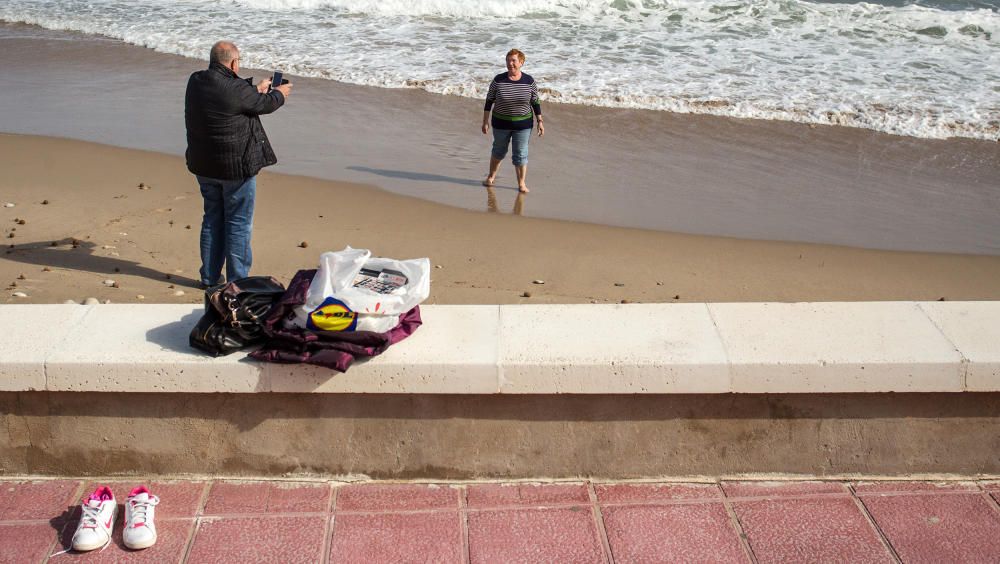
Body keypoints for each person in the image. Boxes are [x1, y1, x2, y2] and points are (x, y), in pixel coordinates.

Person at [184, 40, 292, 288]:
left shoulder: (197, 80)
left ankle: (210, 278)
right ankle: (237, 281)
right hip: (234, 169)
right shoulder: (235, 90)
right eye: (238, 62)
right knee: (238, 223)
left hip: (204, 165)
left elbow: (235, 93)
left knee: (212, 218)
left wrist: (254, 87)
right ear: (234, 62)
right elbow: (266, 104)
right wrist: (279, 94)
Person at [481, 49, 544, 193]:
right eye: (508, 60)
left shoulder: (529, 81)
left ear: (521, 62)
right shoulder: (498, 80)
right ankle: (491, 177)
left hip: (523, 125)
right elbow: (489, 100)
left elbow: (535, 102)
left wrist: (540, 121)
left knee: (521, 153)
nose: (510, 64)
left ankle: (521, 184)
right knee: (498, 150)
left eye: (513, 60)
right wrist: (485, 121)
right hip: (500, 123)